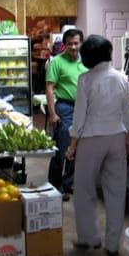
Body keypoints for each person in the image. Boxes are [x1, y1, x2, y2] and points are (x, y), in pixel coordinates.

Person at [65, 35, 129, 256]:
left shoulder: (86, 79)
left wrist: (72, 145)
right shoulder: (121, 78)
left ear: (87, 57)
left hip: (92, 138)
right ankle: (112, 245)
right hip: (116, 136)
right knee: (115, 191)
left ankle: (90, 238)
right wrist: (128, 137)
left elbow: (79, 118)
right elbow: (127, 112)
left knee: (84, 190)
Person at [46, 28, 87, 201]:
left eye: (76, 43)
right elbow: (49, 88)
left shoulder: (86, 61)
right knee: (62, 148)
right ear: (64, 44)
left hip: (84, 108)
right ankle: (56, 185)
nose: (73, 47)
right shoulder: (57, 62)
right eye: (69, 44)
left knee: (76, 148)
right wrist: (52, 114)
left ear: (81, 43)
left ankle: (69, 183)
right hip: (65, 107)